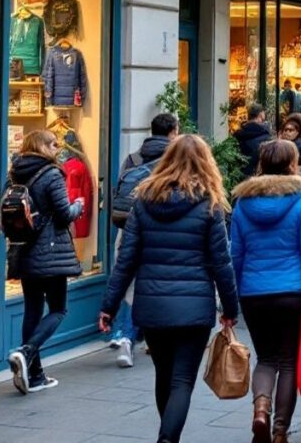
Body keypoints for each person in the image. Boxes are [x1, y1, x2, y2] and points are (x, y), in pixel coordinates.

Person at [99, 134, 240, 443]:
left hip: (152, 307)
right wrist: (231, 309)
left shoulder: (144, 201)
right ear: (206, 164)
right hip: (194, 307)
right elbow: (222, 263)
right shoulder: (209, 205)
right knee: (182, 381)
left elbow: (127, 260)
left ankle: (168, 434)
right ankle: (167, 439)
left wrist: (109, 305)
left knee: (163, 375)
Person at [232, 139, 301, 443]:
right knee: (288, 361)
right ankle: (280, 431)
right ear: (292, 163)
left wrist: (233, 294)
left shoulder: (243, 203)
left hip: (253, 291)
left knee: (266, 358)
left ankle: (261, 408)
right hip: (293, 290)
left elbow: (236, 253)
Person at [6, 131, 84, 394]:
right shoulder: (52, 174)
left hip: (24, 251)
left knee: (32, 310)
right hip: (51, 253)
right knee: (59, 309)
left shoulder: (14, 174)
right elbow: (63, 215)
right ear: (40, 146)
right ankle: (25, 352)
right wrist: (79, 206)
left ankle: (35, 374)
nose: (58, 147)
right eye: (53, 143)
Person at [110, 113, 178, 367]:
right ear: (173, 131)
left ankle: (127, 337)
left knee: (131, 284)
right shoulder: (176, 160)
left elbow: (120, 193)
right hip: (162, 232)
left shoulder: (133, 157)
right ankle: (136, 336)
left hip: (130, 229)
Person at [235, 103, 273, 178]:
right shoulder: (264, 136)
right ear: (261, 115)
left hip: (238, 176)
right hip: (257, 177)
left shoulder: (237, 135)